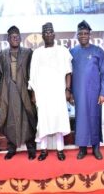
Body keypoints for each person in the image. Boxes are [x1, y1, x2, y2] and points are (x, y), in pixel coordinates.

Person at [0, 26, 37, 160]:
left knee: (28, 119)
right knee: (9, 119)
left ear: (20, 38)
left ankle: (31, 148)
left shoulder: (28, 53)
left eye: (17, 37)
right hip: (8, 92)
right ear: (8, 39)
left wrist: (34, 93)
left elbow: (34, 74)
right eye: (12, 37)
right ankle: (11, 148)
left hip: (25, 92)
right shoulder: (2, 55)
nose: (15, 39)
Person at [28, 22, 72, 161]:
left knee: (59, 119)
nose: (48, 34)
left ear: (54, 34)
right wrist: (34, 93)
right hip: (43, 93)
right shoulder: (37, 53)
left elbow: (68, 72)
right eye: (45, 32)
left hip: (58, 92)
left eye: (50, 32)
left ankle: (60, 150)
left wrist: (67, 89)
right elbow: (33, 75)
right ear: (42, 36)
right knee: (43, 121)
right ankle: (43, 150)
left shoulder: (62, 51)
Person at [70, 20, 104, 160]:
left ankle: (96, 148)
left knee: (94, 119)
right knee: (81, 120)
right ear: (77, 35)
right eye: (80, 33)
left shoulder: (98, 51)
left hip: (94, 93)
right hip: (79, 93)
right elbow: (69, 74)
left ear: (90, 35)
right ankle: (82, 149)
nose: (83, 36)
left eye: (86, 33)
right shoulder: (72, 52)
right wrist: (69, 93)